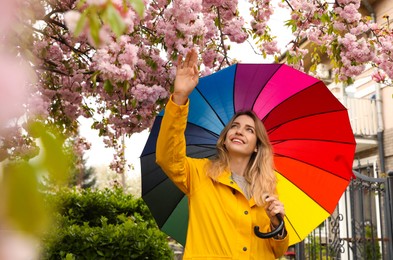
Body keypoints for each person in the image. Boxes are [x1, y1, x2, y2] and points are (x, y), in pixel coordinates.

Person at [156, 49, 289, 259]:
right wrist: (180, 96)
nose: (239, 131)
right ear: (226, 138)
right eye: (234, 126)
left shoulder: (267, 188)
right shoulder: (200, 173)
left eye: (249, 130)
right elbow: (167, 156)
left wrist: (277, 224)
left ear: (256, 146)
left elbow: (277, 251)